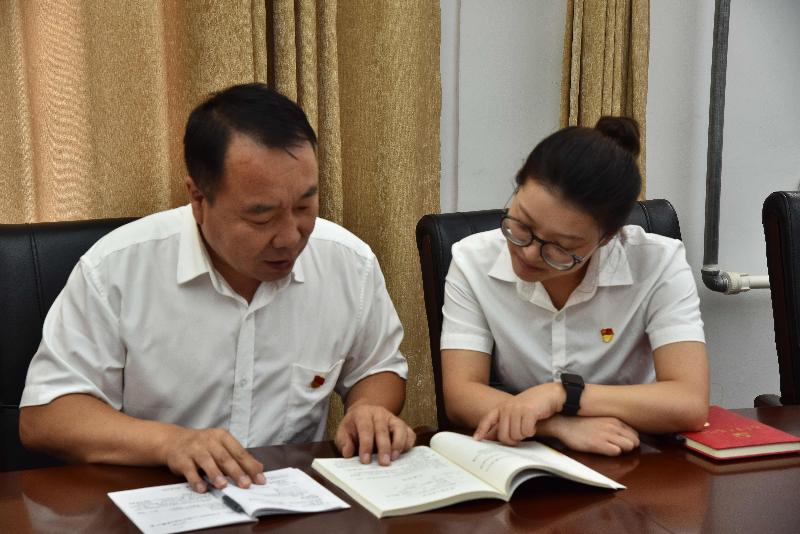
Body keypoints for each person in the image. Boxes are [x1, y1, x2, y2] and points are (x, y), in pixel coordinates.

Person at [19, 83, 415, 493]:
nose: (289, 237)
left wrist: (369, 408)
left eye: (304, 206)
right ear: (197, 197)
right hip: (157, 498)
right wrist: (170, 442)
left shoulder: (348, 262)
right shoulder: (116, 269)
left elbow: (377, 367)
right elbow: (46, 416)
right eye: (261, 217)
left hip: (290, 500)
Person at [440, 117, 709, 456]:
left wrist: (562, 395)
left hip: (634, 456)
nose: (529, 252)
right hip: (526, 454)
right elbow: (461, 395)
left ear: (607, 238)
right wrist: (558, 424)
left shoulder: (658, 263)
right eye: (522, 224)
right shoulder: (473, 260)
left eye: (561, 247)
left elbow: (689, 402)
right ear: (518, 185)